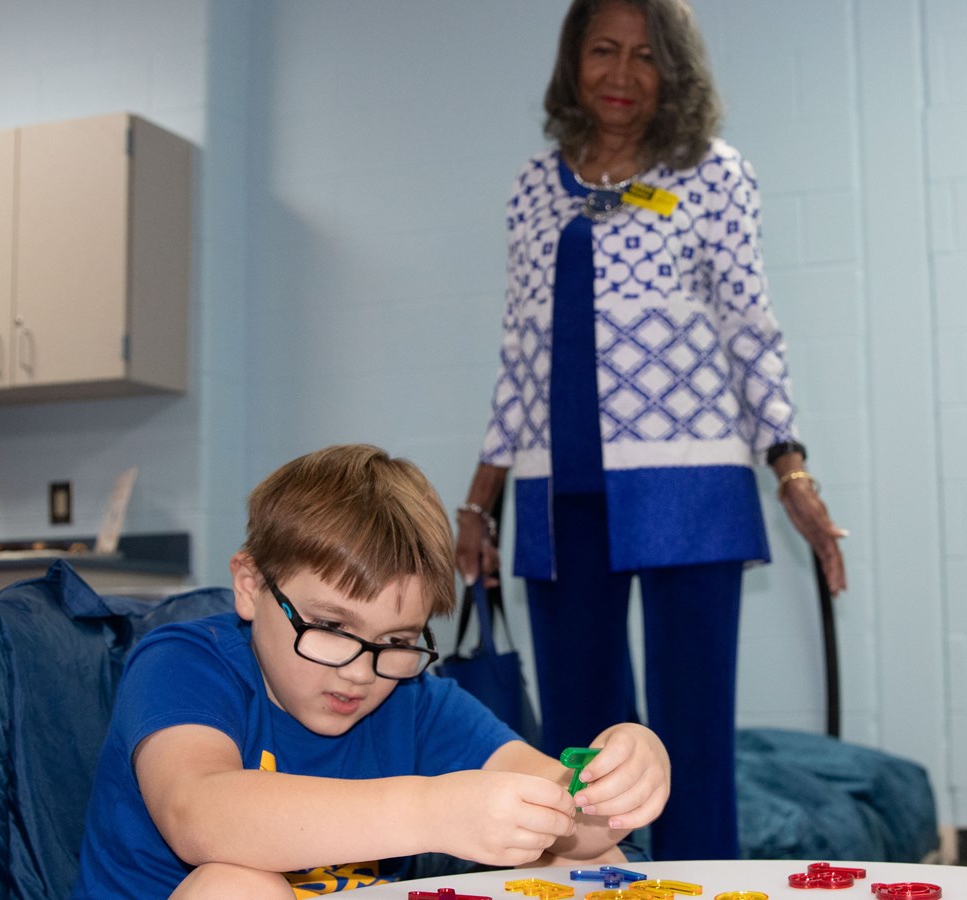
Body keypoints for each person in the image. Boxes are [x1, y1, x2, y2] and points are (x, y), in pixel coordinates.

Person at [454, 0, 845, 861]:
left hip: (691, 486)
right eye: (603, 51)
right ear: (573, 61)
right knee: (579, 736)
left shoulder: (712, 174)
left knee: (691, 726)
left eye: (644, 55)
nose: (622, 74)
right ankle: (592, 881)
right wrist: (478, 506)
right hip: (562, 492)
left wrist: (792, 470)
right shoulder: (533, 187)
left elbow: (752, 329)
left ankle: (704, 880)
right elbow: (519, 350)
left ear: (674, 70)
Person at [72, 445, 670, 898]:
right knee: (236, 886)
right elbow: (199, 816)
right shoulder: (184, 664)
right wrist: (432, 811)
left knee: (574, 864)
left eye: (397, 639)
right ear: (252, 587)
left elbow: (573, 826)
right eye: (332, 629)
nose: (361, 671)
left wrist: (621, 776)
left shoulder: (413, 697)